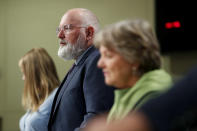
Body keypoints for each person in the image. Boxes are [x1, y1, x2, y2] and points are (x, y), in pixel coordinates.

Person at [48, 8, 114, 131]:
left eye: (67, 28)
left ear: (89, 33)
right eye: (59, 29)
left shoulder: (96, 61)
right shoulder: (82, 62)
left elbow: (97, 118)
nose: (59, 35)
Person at [93, 19, 172, 122]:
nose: (100, 64)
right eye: (101, 55)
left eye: (108, 56)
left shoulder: (153, 98)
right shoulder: (128, 91)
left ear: (134, 58)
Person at [83, 66, 197, 131]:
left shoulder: (151, 92)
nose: (100, 63)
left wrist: (143, 118)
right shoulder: (123, 94)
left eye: (108, 55)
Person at [19, 48, 60, 131]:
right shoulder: (40, 97)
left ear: (34, 74)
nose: (23, 78)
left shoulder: (56, 96)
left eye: (24, 73)